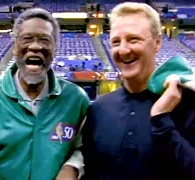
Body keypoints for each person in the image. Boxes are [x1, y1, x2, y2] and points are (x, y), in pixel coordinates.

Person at [0, 8, 90, 180]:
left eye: (44, 40)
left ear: (55, 49)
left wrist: (72, 167)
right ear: (14, 47)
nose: (35, 46)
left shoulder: (76, 99)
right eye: (27, 39)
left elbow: (84, 147)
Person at [82, 2, 195, 180]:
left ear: (157, 43)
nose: (124, 50)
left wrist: (161, 121)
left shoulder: (188, 102)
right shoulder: (98, 109)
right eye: (116, 42)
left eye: (134, 39)